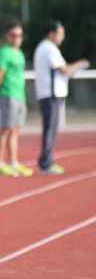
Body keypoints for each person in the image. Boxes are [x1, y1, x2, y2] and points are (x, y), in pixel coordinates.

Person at [33, 21, 90, 175]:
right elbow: (64, 70)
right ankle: (45, 163)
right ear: (51, 33)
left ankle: (47, 160)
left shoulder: (47, 48)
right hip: (50, 94)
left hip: (51, 94)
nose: (62, 37)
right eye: (60, 34)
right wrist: (81, 64)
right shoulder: (48, 48)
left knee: (51, 128)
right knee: (50, 128)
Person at [0, 22, 33, 177]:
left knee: (15, 130)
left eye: (20, 35)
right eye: (14, 35)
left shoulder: (20, 53)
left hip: (19, 95)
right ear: (7, 36)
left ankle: (14, 162)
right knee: (5, 129)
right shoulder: (4, 53)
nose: (17, 38)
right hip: (8, 95)